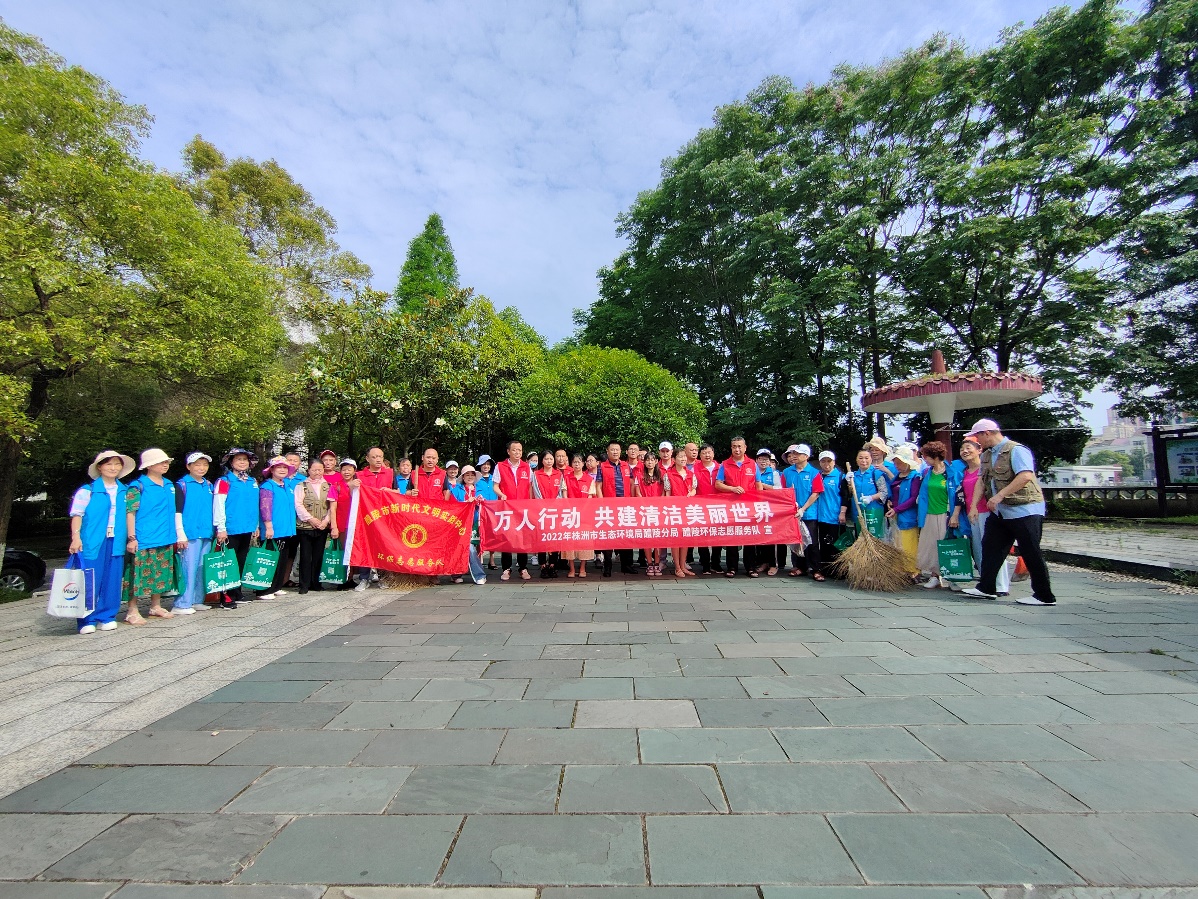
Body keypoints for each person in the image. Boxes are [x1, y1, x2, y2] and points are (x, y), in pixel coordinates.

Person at [962, 418, 1056, 606]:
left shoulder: (1016, 450)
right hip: (1001, 512)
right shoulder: (987, 455)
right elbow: (981, 481)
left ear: (987, 433)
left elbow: (1025, 476)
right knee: (991, 547)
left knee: (1030, 551)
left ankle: (1044, 596)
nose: (977, 441)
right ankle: (986, 588)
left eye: (978, 437)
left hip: (1025, 508)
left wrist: (999, 495)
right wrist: (973, 507)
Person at [68, 451, 134, 634]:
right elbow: (77, 515)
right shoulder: (87, 490)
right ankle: (86, 619)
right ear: (99, 467)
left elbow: (130, 515)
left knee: (113, 578)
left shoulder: (125, 490)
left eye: (117, 464)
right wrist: (76, 537)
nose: (113, 468)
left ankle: (107, 616)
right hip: (93, 540)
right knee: (90, 578)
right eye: (109, 464)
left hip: (116, 539)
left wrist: (131, 537)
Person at [123, 448, 183, 624]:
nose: (165, 465)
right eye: (160, 462)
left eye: (166, 462)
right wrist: (132, 537)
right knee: (137, 575)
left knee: (161, 573)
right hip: (145, 537)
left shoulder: (169, 485)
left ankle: (155, 605)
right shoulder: (137, 486)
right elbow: (130, 512)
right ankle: (132, 609)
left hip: (165, 536)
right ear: (148, 466)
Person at [957, 437, 1011, 597]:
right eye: (962, 449)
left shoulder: (986, 468)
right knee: (979, 549)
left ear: (979, 450)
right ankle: (986, 584)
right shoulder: (964, 472)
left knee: (993, 548)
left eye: (968, 448)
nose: (965, 451)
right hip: (972, 513)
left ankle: (1001, 586)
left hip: (988, 512)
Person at [214, 448, 260, 609]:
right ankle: (226, 595)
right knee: (228, 562)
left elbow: (254, 504)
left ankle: (237, 591)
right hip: (230, 528)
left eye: (245, 459)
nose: (242, 462)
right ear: (231, 462)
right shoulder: (224, 481)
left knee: (241, 560)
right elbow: (219, 505)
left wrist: (255, 525)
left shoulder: (252, 481)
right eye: (238, 459)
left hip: (246, 527)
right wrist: (221, 527)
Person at [173, 451, 215, 614]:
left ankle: (197, 599)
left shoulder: (209, 485)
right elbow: (177, 511)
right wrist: (180, 534)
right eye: (197, 464)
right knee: (188, 569)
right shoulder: (181, 485)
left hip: (206, 532)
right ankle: (182, 603)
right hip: (189, 533)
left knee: (201, 568)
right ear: (188, 466)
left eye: (205, 464)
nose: (201, 468)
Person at [915, 441, 960, 588]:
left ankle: (953, 577)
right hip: (929, 514)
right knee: (932, 546)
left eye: (926, 457)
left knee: (947, 545)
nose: (924, 460)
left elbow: (959, 495)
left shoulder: (951, 472)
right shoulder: (927, 472)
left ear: (935, 456)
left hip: (945, 514)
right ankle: (935, 576)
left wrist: (955, 515)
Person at [715, 436, 759, 577]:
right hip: (731, 507)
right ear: (731, 448)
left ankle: (750, 567)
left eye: (740, 446)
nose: (737, 449)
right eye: (734, 446)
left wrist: (759, 503)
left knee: (750, 537)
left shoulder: (753, 464)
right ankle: (732, 567)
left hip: (749, 507)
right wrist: (732, 489)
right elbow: (718, 484)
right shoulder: (725, 464)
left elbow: (758, 485)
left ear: (745, 448)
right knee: (732, 536)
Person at [294, 458, 338, 595]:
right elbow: (298, 504)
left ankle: (316, 583)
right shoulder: (301, 485)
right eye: (314, 470)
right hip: (305, 526)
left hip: (322, 526)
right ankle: (304, 584)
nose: (317, 472)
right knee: (305, 556)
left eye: (320, 470)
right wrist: (310, 519)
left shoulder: (329, 485)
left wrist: (326, 521)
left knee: (319, 555)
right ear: (309, 470)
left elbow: (331, 506)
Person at [258, 455, 298, 599]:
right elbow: (265, 508)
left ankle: (276, 586)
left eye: (285, 468)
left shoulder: (287, 485)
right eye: (279, 467)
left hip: (286, 530)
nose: (282, 470)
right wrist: (268, 526)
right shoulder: (267, 486)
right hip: (274, 530)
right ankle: (264, 590)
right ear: (272, 470)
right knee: (269, 560)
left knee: (282, 560)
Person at [596, 441, 637, 576]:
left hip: (625, 507)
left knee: (626, 535)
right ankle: (607, 566)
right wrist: (602, 504)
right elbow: (598, 486)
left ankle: (627, 565)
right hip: (609, 507)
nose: (615, 452)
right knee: (609, 536)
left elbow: (632, 483)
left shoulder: (626, 465)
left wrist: (632, 500)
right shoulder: (602, 466)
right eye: (612, 449)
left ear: (620, 451)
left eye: (617, 449)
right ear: (607, 451)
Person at [781, 444, 823, 577]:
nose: (794, 456)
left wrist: (803, 509)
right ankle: (799, 566)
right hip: (792, 512)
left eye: (798, 454)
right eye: (793, 453)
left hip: (809, 513)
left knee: (812, 541)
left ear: (806, 456)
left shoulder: (814, 473)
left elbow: (816, 493)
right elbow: (783, 491)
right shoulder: (787, 472)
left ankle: (815, 568)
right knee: (796, 540)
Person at [808, 450, 850, 583]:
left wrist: (842, 513)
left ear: (834, 462)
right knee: (824, 544)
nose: (826, 464)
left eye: (829, 461)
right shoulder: (818, 476)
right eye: (823, 461)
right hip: (820, 516)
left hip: (834, 516)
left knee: (836, 545)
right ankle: (826, 569)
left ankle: (839, 571)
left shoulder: (840, 477)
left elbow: (845, 496)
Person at [494, 440, 532, 581]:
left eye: (520, 450)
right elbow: (495, 486)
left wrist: (531, 503)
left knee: (522, 538)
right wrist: (502, 495)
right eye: (514, 450)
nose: (517, 452)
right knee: (507, 538)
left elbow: (530, 486)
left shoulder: (526, 467)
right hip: (506, 508)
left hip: (522, 508)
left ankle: (523, 567)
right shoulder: (500, 466)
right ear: (508, 451)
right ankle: (506, 568)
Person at [448, 465, 488, 585]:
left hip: (477, 523)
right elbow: (452, 507)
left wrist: (481, 501)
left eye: (472, 475)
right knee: (465, 548)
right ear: (463, 477)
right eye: (467, 475)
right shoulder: (456, 490)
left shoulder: (480, 489)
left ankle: (458, 573)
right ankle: (476, 574)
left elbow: (488, 505)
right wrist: (466, 503)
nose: (470, 477)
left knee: (474, 549)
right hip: (460, 524)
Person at [886, 445, 923, 577]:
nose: (897, 466)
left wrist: (897, 509)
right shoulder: (897, 476)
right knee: (897, 542)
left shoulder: (915, 477)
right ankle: (899, 569)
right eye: (895, 463)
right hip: (896, 514)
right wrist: (890, 501)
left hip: (908, 515)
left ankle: (912, 570)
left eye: (900, 463)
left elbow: (913, 498)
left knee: (909, 542)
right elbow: (893, 493)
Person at [664, 449, 698, 578]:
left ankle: (683, 566)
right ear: (674, 459)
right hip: (675, 511)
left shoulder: (690, 474)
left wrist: (691, 493)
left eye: (684, 457)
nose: (683, 459)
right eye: (680, 457)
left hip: (688, 510)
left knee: (685, 539)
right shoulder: (669, 475)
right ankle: (677, 567)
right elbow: (667, 494)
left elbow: (694, 489)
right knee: (676, 540)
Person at [563, 453, 597, 578]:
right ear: (571, 464)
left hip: (585, 515)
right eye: (574, 462)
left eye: (579, 462)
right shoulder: (566, 478)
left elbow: (590, 497)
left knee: (584, 541)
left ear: (583, 464)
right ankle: (571, 568)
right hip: (569, 514)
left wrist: (582, 511)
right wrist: (570, 509)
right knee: (569, 541)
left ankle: (582, 568)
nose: (577, 464)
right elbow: (564, 495)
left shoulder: (589, 479)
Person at [532, 450, 564, 578]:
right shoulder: (536, 474)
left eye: (551, 459)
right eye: (546, 459)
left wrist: (555, 506)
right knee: (542, 538)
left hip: (555, 512)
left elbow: (560, 493)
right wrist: (543, 506)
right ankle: (543, 566)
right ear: (542, 460)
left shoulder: (559, 474)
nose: (549, 461)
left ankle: (552, 565)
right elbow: (536, 492)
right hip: (541, 512)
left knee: (554, 539)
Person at [755, 449, 787, 575]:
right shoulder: (753, 472)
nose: (763, 461)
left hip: (772, 509)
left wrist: (762, 485)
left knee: (772, 537)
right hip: (757, 509)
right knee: (761, 537)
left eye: (766, 459)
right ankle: (764, 562)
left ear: (770, 462)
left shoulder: (774, 474)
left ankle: (774, 564)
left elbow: (779, 489)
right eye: (761, 459)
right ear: (756, 460)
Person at [693, 444, 724, 574]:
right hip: (701, 506)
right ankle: (705, 564)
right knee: (702, 536)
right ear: (700, 456)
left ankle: (716, 563)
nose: (707, 455)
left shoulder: (721, 468)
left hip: (718, 506)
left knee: (718, 535)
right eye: (704, 453)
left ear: (713, 454)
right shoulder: (694, 469)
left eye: (709, 452)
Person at [633, 453, 665, 576]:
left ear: (656, 461)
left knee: (657, 539)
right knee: (647, 538)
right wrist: (645, 506)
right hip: (644, 511)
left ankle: (657, 563)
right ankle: (650, 564)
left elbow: (664, 492)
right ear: (644, 462)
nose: (650, 462)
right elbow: (638, 493)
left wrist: (659, 505)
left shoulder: (662, 475)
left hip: (658, 511)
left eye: (652, 460)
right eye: (647, 460)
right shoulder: (639, 476)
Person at [850, 449, 888, 536]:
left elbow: (884, 492)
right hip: (858, 511)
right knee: (860, 537)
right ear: (856, 460)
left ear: (871, 459)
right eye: (861, 458)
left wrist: (871, 498)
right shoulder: (853, 475)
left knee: (875, 537)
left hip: (873, 511)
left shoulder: (876, 473)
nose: (864, 461)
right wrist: (848, 482)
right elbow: (850, 492)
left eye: (866, 458)